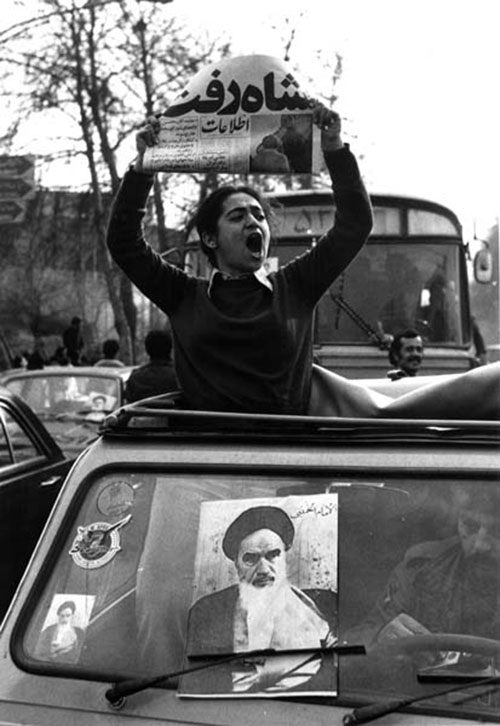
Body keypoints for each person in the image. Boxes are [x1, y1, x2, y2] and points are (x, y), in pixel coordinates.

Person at [107, 101, 372, 414]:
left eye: (259, 215)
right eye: (237, 216)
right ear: (210, 238)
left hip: (287, 442)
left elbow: (355, 225)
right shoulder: (183, 295)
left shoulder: (296, 286)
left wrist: (334, 148)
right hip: (207, 445)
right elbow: (124, 242)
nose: (252, 222)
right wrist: (143, 168)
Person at [186, 505, 336, 693]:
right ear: (237, 564)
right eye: (251, 558)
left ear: (285, 556)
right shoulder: (206, 613)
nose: (264, 570)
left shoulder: (322, 607)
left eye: (273, 555)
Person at [345, 484, 500, 651]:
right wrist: (380, 636)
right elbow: (353, 641)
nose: (480, 545)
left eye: (497, 531)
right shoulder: (420, 568)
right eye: (470, 525)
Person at [125, 329, 178, 402]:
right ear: (171, 348)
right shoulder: (180, 378)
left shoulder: (136, 378)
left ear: (147, 350)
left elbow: (129, 403)